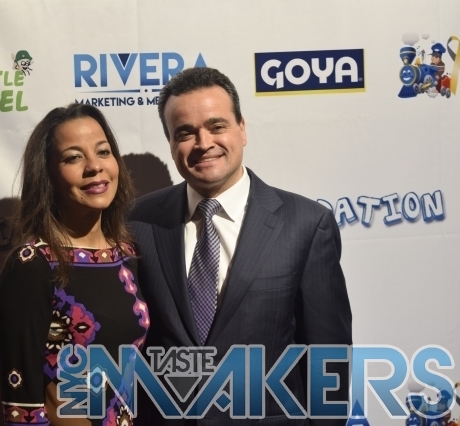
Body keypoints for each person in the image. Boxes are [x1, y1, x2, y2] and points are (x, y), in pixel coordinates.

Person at [129, 67, 352, 425]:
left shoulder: (306, 224)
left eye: (216, 126)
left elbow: (328, 356)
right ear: (170, 143)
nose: (203, 143)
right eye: (185, 132)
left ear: (242, 129)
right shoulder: (137, 222)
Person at [0, 103, 149, 426]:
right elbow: (22, 403)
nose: (94, 166)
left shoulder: (128, 255)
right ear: (48, 175)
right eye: (73, 157)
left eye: (103, 152)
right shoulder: (32, 264)